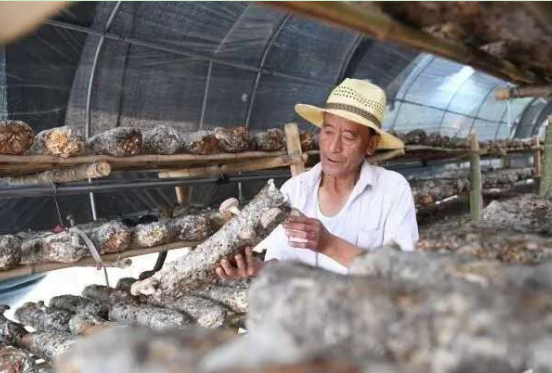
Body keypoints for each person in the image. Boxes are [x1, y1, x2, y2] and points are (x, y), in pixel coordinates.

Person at [215, 78, 418, 280]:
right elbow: (281, 265)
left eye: (348, 137)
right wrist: (255, 268)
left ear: (371, 144)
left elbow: (400, 273)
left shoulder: (392, 189)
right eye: (328, 131)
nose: (333, 147)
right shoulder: (294, 190)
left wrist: (329, 244)